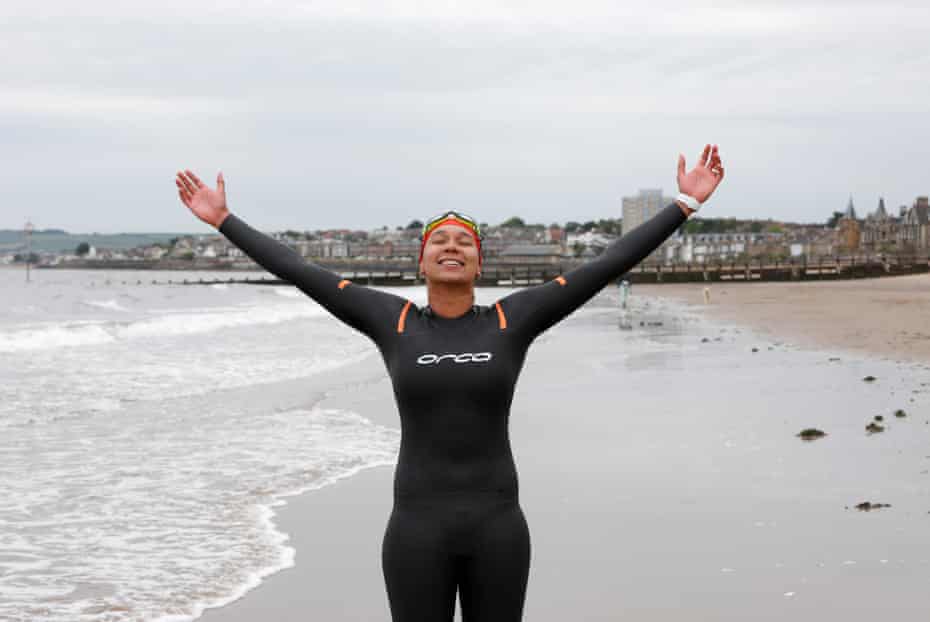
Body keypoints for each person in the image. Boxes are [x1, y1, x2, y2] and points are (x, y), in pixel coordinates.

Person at [174, 144, 724, 622]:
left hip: (498, 529)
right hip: (416, 529)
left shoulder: (512, 320)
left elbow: (604, 265)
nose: (452, 246)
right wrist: (225, 221)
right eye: (440, 241)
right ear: (423, 260)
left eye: (464, 241)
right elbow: (301, 271)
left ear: (479, 262)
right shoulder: (392, 321)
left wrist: (685, 205)